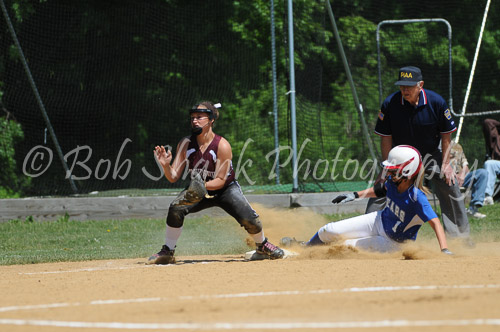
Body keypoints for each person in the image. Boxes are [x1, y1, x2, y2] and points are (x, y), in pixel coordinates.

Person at [148, 101, 284, 264]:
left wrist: (201, 187)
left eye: (199, 117)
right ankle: (168, 251)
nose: (194, 121)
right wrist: (165, 165)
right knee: (176, 209)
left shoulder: (222, 145)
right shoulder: (185, 143)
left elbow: (220, 180)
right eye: (192, 117)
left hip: (225, 190)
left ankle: (262, 245)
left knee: (249, 219)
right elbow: (173, 176)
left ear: (211, 119)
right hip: (198, 190)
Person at [283, 146, 452, 255]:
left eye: (393, 171)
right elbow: (379, 190)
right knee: (330, 230)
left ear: (407, 171)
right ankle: (306, 247)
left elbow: (435, 223)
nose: (389, 174)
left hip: (392, 243)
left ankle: (309, 255)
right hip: (378, 221)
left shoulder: (417, 198)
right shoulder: (393, 183)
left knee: (345, 247)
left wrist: (444, 250)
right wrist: (354, 195)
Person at [368, 66, 471, 241]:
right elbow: (385, 138)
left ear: (420, 85)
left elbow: (446, 134)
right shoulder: (390, 104)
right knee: (382, 187)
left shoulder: (436, 102)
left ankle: (460, 238)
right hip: (402, 156)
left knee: (450, 183)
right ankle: (368, 233)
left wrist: (446, 165)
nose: (404, 90)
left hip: (430, 154)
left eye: (409, 86)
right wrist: (385, 169)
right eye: (402, 85)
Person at [449, 141, 488, 219]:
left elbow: (465, 164)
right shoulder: (436, 146)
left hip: (462, 177)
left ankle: (474, 207)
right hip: (447, 178)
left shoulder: (457, 146)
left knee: (483, 173)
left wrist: (462, 175)